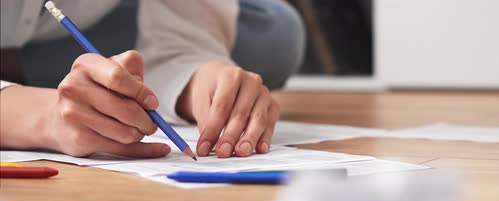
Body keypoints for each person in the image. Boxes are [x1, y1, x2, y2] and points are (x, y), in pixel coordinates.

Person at [0, 0, 305, 158]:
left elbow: (185, 30)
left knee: (270, 32)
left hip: (56, 27)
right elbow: (41, 117)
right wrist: (41, 115)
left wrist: (197, 81)